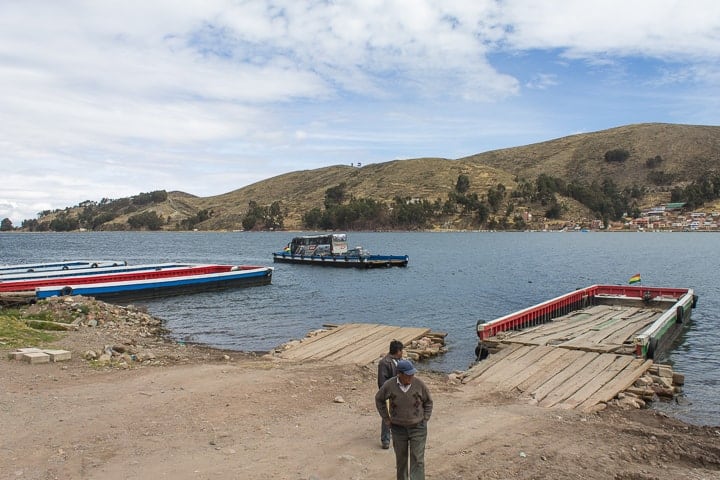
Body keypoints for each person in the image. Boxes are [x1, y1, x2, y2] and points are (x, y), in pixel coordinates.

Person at [375, 359, 433, 480]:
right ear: (399, 374)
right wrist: (386, 418)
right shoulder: (390, 385)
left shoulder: (419, 384)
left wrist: (425, 418)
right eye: (408, 374)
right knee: (401, 460)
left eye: (412, 374)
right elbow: (379, 399)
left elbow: (428, 402)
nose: (411, 376)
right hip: (398, 429)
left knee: (418, 459)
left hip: (418, 427)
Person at [377, 340, 405, 449]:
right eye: (401, 350)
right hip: (389, 394)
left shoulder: (399, 361)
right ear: (398, 351)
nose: (402, 352)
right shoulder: (384, 363)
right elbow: (381, 382)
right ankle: (385, 440)